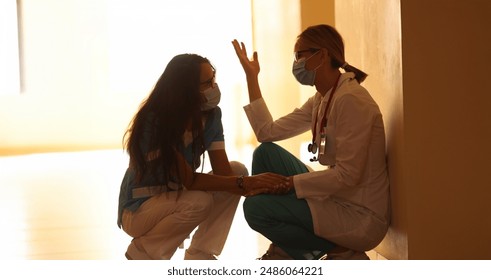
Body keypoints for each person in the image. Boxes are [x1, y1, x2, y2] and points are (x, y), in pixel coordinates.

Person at [231, 24, 390, 260]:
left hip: (359, 215)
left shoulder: (351, 100)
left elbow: (348, 176)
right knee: (265, 153)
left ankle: (338, 249)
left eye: (299, 55)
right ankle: (290, 247)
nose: (296, 63)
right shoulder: (323, 97)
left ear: (322, 55)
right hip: (338, 198)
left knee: (255, 209)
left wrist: (290, 183)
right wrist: (251, 77)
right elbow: (266, 132)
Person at [117, 53, 290, 260]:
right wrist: (249, 183)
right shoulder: (155, 121)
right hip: (139, 210)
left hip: (175, 197)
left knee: (237, 170)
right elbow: (189, 180)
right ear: (185, 90)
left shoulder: (211, 116)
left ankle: (200, 253)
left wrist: (256, 186)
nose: (214, 87)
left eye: (213, 80)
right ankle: (143, 253)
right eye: (206, 83)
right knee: (200, 201)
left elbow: (226, 174)